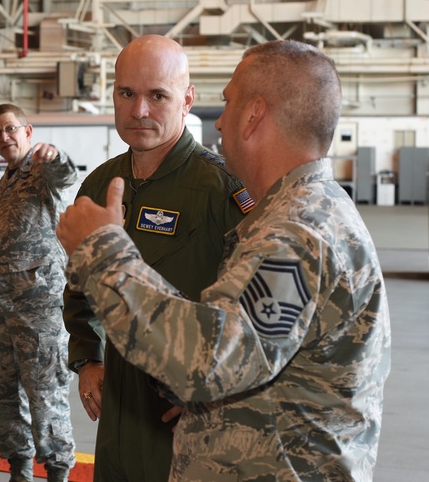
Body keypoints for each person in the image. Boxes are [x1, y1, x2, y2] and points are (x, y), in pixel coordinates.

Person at [57, 40, 391, 481]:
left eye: (229, 100)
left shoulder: (297, 231)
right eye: (127, 93)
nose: (219, 121)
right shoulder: (300, 214)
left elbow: (206, 363)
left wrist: (101, 251)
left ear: (254, 115)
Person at [61, 34, 251, 481]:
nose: (139, 111)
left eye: (157, 96)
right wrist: (88, 358)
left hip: (188, 425)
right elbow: (78, 286)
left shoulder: (222, 190)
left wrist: (215, 396)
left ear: (187, 101)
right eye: (127, 93)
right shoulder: (100, 186)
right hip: (118, 413)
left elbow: (256, 321)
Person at [0, 103, 76, 482]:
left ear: (28, 131)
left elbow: (65, 174)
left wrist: (56, 156)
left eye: (10, 129)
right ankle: (18, 468)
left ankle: (57, 471)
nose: (4, 138)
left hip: (40, 310)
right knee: (2, 394)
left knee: (45, 394)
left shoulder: (41, 174)